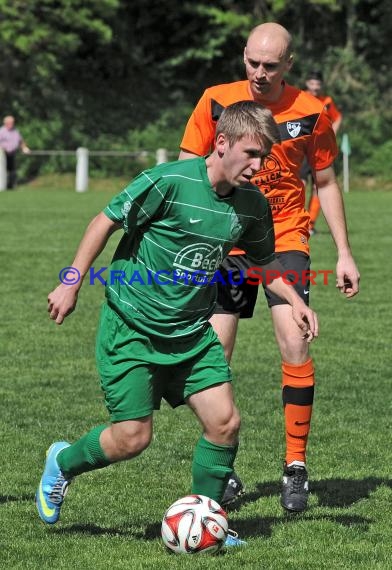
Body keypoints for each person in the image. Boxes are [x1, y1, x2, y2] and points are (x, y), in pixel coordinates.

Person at [35, 101, 318, 547]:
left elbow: (266, 263)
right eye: (251, 153)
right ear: (221, 143)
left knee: (224, 422)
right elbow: (104, 221)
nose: (258, 166)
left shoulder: (251, 205)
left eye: (265, 156)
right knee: (132, 438)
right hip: (133, 328)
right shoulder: (167, 181)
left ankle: (207, 521)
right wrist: (71, 282)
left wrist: (293, 300)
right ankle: (63, 462)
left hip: (191, 333)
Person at [179, 23, 359, 512]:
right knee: (213, 355)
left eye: (271, 65)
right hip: (227, 240)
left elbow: (324, 181)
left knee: (295, 340)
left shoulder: (311, 111)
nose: (259, 73)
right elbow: (187, 165)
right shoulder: (216, 101)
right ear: (243, 56)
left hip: (284, 236)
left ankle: (295, 466)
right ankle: (225, 468)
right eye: (252, 63)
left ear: (290, 65)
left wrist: (343, 252)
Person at [300, 70, 343, 234]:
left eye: (318, 84)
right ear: (307, 83)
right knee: (301, 184)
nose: (315, 87)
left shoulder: (327, 101)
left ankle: (310, 224)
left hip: (320, 149)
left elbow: (337, 118)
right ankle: (298, 220)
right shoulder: (301, 97)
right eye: (312, 83)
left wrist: (331, 134)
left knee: (320, 186)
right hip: (303, 148)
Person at [0, 115, 30, 189]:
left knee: (12, 170)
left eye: (12, 122)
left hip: (12, 154)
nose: (12, 124)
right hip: (2, 154)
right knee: (2, 171)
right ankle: (2, 186)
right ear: (6, 123)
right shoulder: (2, 131)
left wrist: (24, 148)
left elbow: (21, 141)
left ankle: (11, 186)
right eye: (10, 123)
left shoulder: (15, 131)